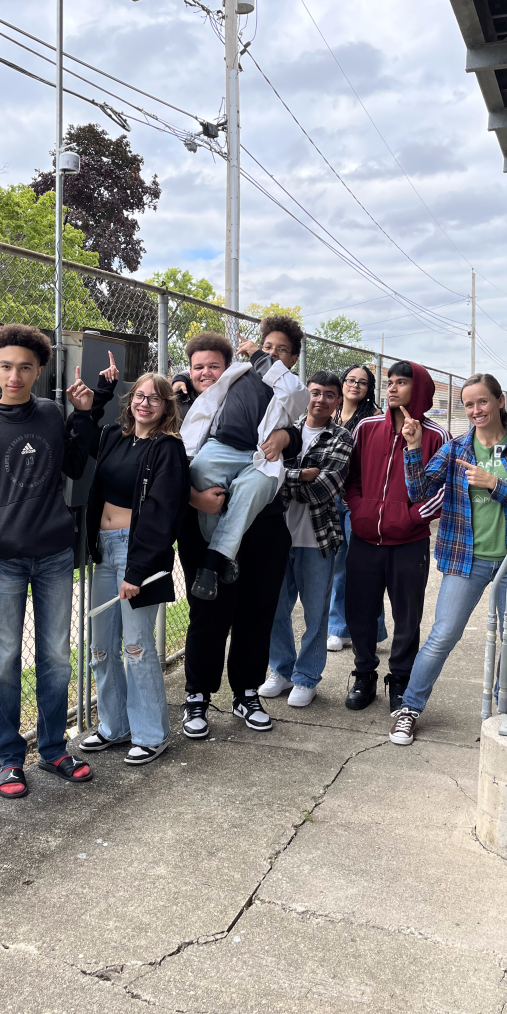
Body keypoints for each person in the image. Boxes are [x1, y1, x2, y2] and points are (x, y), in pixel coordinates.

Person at [0, 323, 97, 799]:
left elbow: (77, 465)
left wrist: (83, 415)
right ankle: (9, 758)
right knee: (3, 661)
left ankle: (54, 749)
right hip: (5, 561)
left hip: (55, 556)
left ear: (39, 370)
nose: (14, 375)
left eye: (24, 367)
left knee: (56, 657)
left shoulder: (52, 415)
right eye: (5, 367)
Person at [389, 373, 507, 745]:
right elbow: (419, 491)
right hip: (465, 560)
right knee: (442, 636)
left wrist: (496, 486)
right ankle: (410, 708)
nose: (476, 410)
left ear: (499, 402)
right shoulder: (456, 450)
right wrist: (414, 447)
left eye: (482, 401)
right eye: (469, 404)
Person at [176, 330, 300, 737]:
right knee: (208, 613)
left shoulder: (250, 389)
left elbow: (291, 426)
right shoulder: (175, 403)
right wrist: (195, 499)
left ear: (231, 367)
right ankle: (198, 695)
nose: (206, 373)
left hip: (263, 524)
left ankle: (246, 692)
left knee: (256, 610)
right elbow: (158, 465)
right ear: (188, 370)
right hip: (201, 524)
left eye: (215, 366)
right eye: (199, 367)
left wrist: (285, 437)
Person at [78, 372, 189, 764]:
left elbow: (161, 514)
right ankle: (114, 726)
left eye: (154, 399)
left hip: (136, 553)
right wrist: (99, 394)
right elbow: (82, 442)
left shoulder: (168, 449)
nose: (145, 403)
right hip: (105, 551)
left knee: (136, 647)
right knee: (101, 646)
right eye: (139, 396)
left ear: (166, 406)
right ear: (131, 401)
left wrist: (137, 570)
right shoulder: (114, 436)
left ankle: (152, 733)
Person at [180, 314, 309, 601]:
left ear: (293, 358)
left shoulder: (294, 388)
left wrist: (260, 355)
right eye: (267, 345)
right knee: (199, 472)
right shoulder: (239, 371)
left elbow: (292, 400)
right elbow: (205, 377)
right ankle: (227, 554)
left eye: (281, 349)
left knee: (254, 488)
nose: (272, 352)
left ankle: (214, 559)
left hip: (258, 456)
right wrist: (179, 378)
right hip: (221, 446)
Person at [343, 360, 449, 713]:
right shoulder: (367, 427)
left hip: (409, 543)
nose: (391, 388)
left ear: (417, 389)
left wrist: (408, 518)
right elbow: (351, 478)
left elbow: (443, 490)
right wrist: (358, 510)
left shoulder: (436, 435)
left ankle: (400, 679)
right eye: (389, 382)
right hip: (364, 539)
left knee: (407, 617)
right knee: (359, 612)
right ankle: (364, 674)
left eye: (401, 382)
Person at [260, 371, 354, 706]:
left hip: (317, 538)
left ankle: (307, 677)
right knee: (274, 608)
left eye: (330, 395)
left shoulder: (342, 438)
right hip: (275, 534)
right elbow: (261, 472)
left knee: (316, 613)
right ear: (305, 395)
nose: (320, 400)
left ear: (337, 401)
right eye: (315, 392)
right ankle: (282, 670)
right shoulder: (285, 430)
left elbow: (324, 489)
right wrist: (300, 474)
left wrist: (284, 474)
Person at [326, 364, 387, 653]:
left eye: (362, 382)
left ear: (368, 389)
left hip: (356, 500)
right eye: (350, 379)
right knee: (338, 564)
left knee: (363, 564)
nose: (355, 385)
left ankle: (372, 627)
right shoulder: (329, 413)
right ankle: (338, 628)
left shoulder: (373, 419)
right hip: (328, 498)